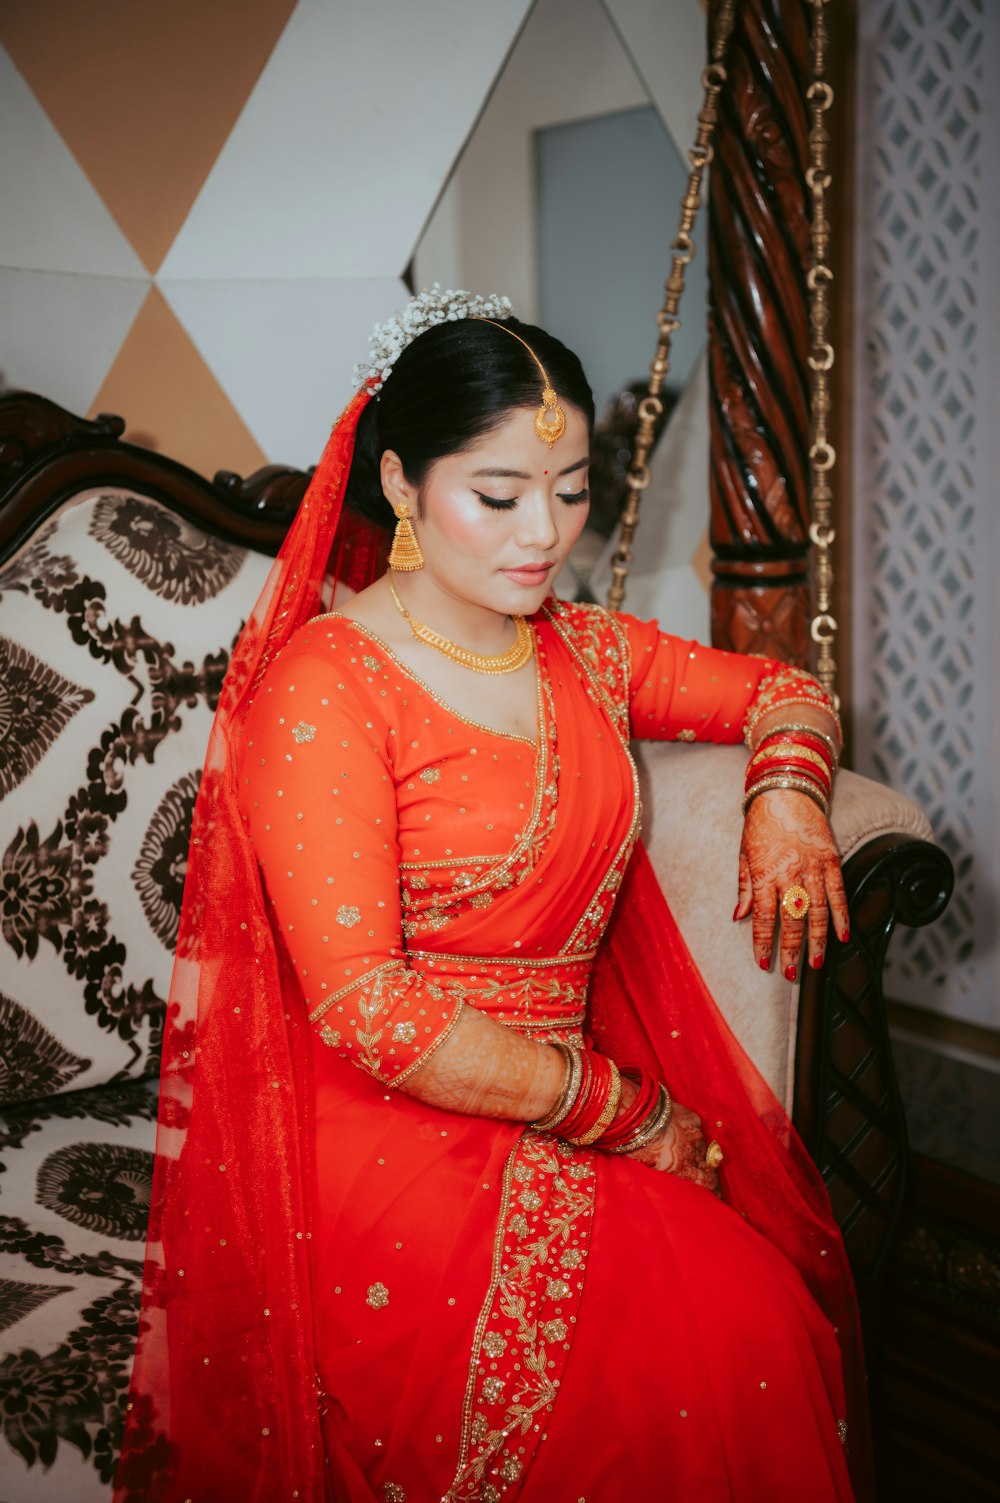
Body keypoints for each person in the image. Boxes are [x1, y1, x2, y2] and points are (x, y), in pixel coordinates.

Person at [116, 290, 870, 1503]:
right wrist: (625, 1113)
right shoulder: (328, 688)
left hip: (562, 1095)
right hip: (387, 1124)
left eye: (570, 489)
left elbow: (784, 688)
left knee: (754, 1317)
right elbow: (367, 1009)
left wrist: (784, 796)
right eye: (500, 495)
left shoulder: (584, 647)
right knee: (686, 1345)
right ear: (404, 487)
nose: (544, 535)